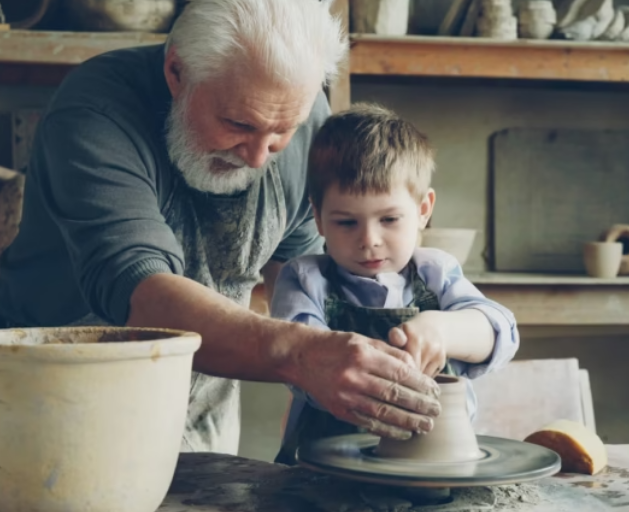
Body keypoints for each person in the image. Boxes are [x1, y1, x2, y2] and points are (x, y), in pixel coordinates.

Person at [0, 0, 443, 455]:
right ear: (177, 72)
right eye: (238, 124)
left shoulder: (304, 117)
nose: (257, 157)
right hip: (54, 413)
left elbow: (309, 290)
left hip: (204, 416)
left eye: (280, 133)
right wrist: (302, 356)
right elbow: (145, 298)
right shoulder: (95, 111)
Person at [270, 103, 520, 465]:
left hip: (434, 466)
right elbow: (299, 361)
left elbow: (503, 335)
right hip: (325, 472)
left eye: (389, 219)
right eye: (345, 223)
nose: (369, 239)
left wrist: (444, 329)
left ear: (423, 210)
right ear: (318, 218)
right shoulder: (305, 280)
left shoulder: (435, 273)